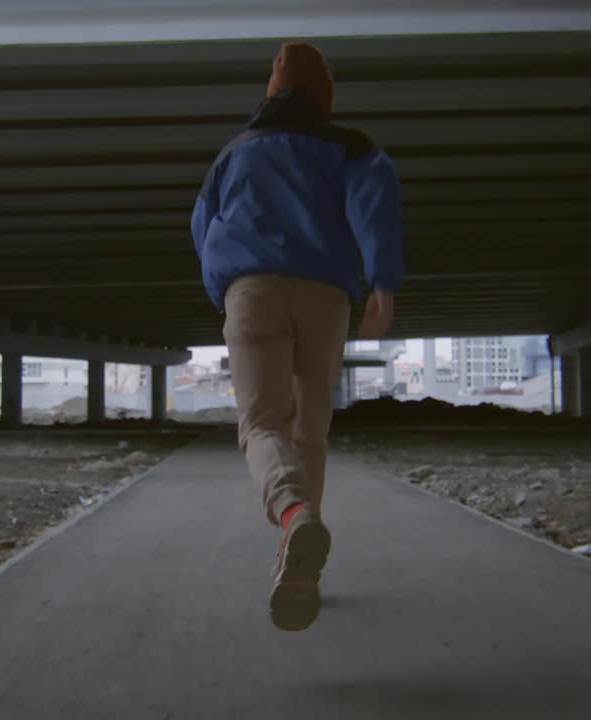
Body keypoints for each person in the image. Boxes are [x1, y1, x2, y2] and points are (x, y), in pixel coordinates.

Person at [191, 42, 404, 631]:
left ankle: (291, 515)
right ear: (324, 96)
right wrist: (382, 279)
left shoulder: (234, 153)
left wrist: (226, 287)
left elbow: (202, 226)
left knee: (262, 424)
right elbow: (376, 200)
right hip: (325, 296)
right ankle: (299, 561)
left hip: (252, 288)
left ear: (271, 92)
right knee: (311, 429)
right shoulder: (350, 147)